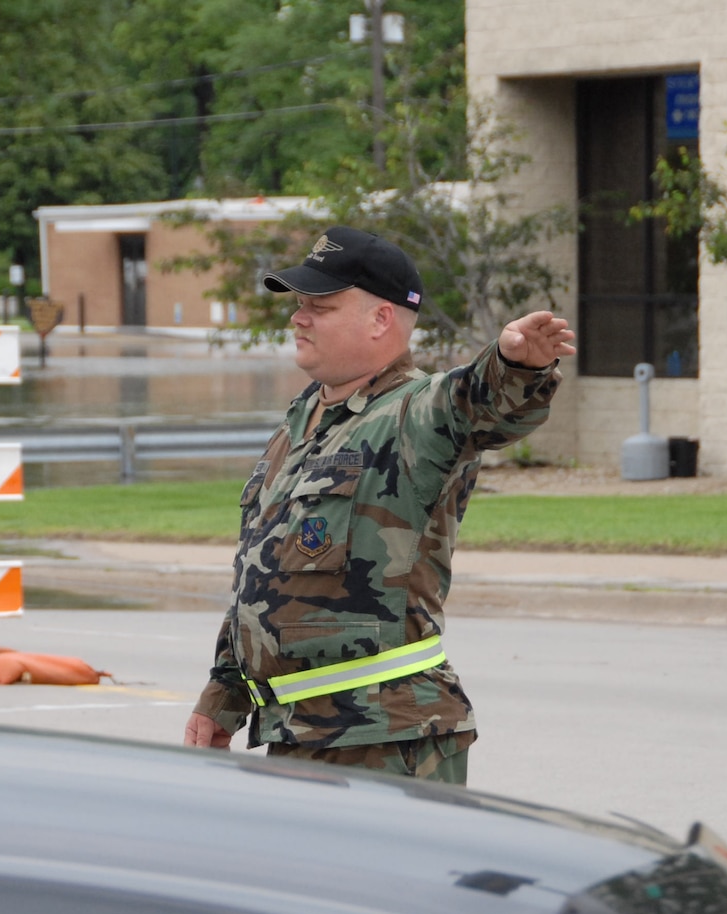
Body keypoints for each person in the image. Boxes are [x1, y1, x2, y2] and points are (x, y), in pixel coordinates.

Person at [181, 225, 575, 785]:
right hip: (300, 734)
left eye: (320, 304)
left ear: (380, 319)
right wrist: (223, 698)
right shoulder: (301, 422)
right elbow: (262, 579)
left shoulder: (412, 414)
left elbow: (474, 404)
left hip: (388, 739)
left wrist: (516, 367)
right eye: (299, 304)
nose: (298, 317)